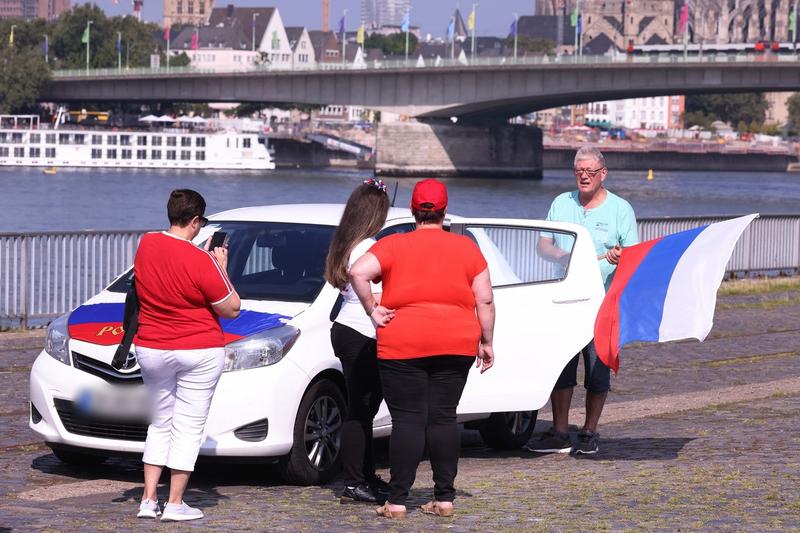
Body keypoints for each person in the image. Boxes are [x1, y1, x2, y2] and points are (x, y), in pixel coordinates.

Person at [350, 178, 495, 519]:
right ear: (444, 213)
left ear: (413, 211)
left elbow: (357, 271)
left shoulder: (393, 245)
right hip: (456, 341)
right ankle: (444, 498)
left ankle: (398, 501)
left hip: (403, 342)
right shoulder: (466, 248)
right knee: (444, 417)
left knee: (408, 420)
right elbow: (485, 299)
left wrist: (373, 308)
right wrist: (486, 341)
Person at [133, 189, 241, 521]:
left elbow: (169, 266)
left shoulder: (146, 243)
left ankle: (148, 499)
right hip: (197, 348)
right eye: (200, 222)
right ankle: (176, 503)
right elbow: (231, 308)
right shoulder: (202, 260)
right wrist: (219, 266)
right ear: (195, 221)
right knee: (188, 426)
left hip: (151, 345)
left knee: (160, 421)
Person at [527, 146, 638, 456]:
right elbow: (543, 245)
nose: (584, 177)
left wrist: (620, 256)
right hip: (564, 302)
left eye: (590, 172)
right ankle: (560, 431)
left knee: (597, 370)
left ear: (603, 174)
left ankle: (589, 431)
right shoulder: (560, 203)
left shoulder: (620, 209)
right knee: (561, 368)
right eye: (579, 172)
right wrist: (564, 255)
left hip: (602, 304)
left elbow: (633, 255)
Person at [323, 178, 391, 504]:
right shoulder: (367, 246)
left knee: (362, 407)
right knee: (360, 409)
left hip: (347, 328)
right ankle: (353, 481)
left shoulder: (347, 242)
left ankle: (363, 475)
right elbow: (374, 293)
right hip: (361, 330)